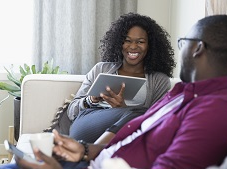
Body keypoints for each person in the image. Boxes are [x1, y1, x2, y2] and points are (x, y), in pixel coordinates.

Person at [0, 14, 227, 169]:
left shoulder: (214, 113)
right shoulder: (184, 94)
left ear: (196, 48)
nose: (133, 46)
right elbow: (134, 133)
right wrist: (87, 150)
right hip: (88, 156)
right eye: (128, 40)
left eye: (185, 40)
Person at [68, 12, 176, 144]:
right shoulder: (100, 69)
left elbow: (155, 121)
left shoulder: (159, 80)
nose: (133, 46)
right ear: (120, 43)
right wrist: (91, 100)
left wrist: (122, 109)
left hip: (128, 136)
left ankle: (93, 152)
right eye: (127, 40)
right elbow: (71, 111)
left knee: (141, 114)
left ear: (150, 45)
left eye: (140, 42)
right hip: (86, 125)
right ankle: (94, 151)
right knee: (138, 113)